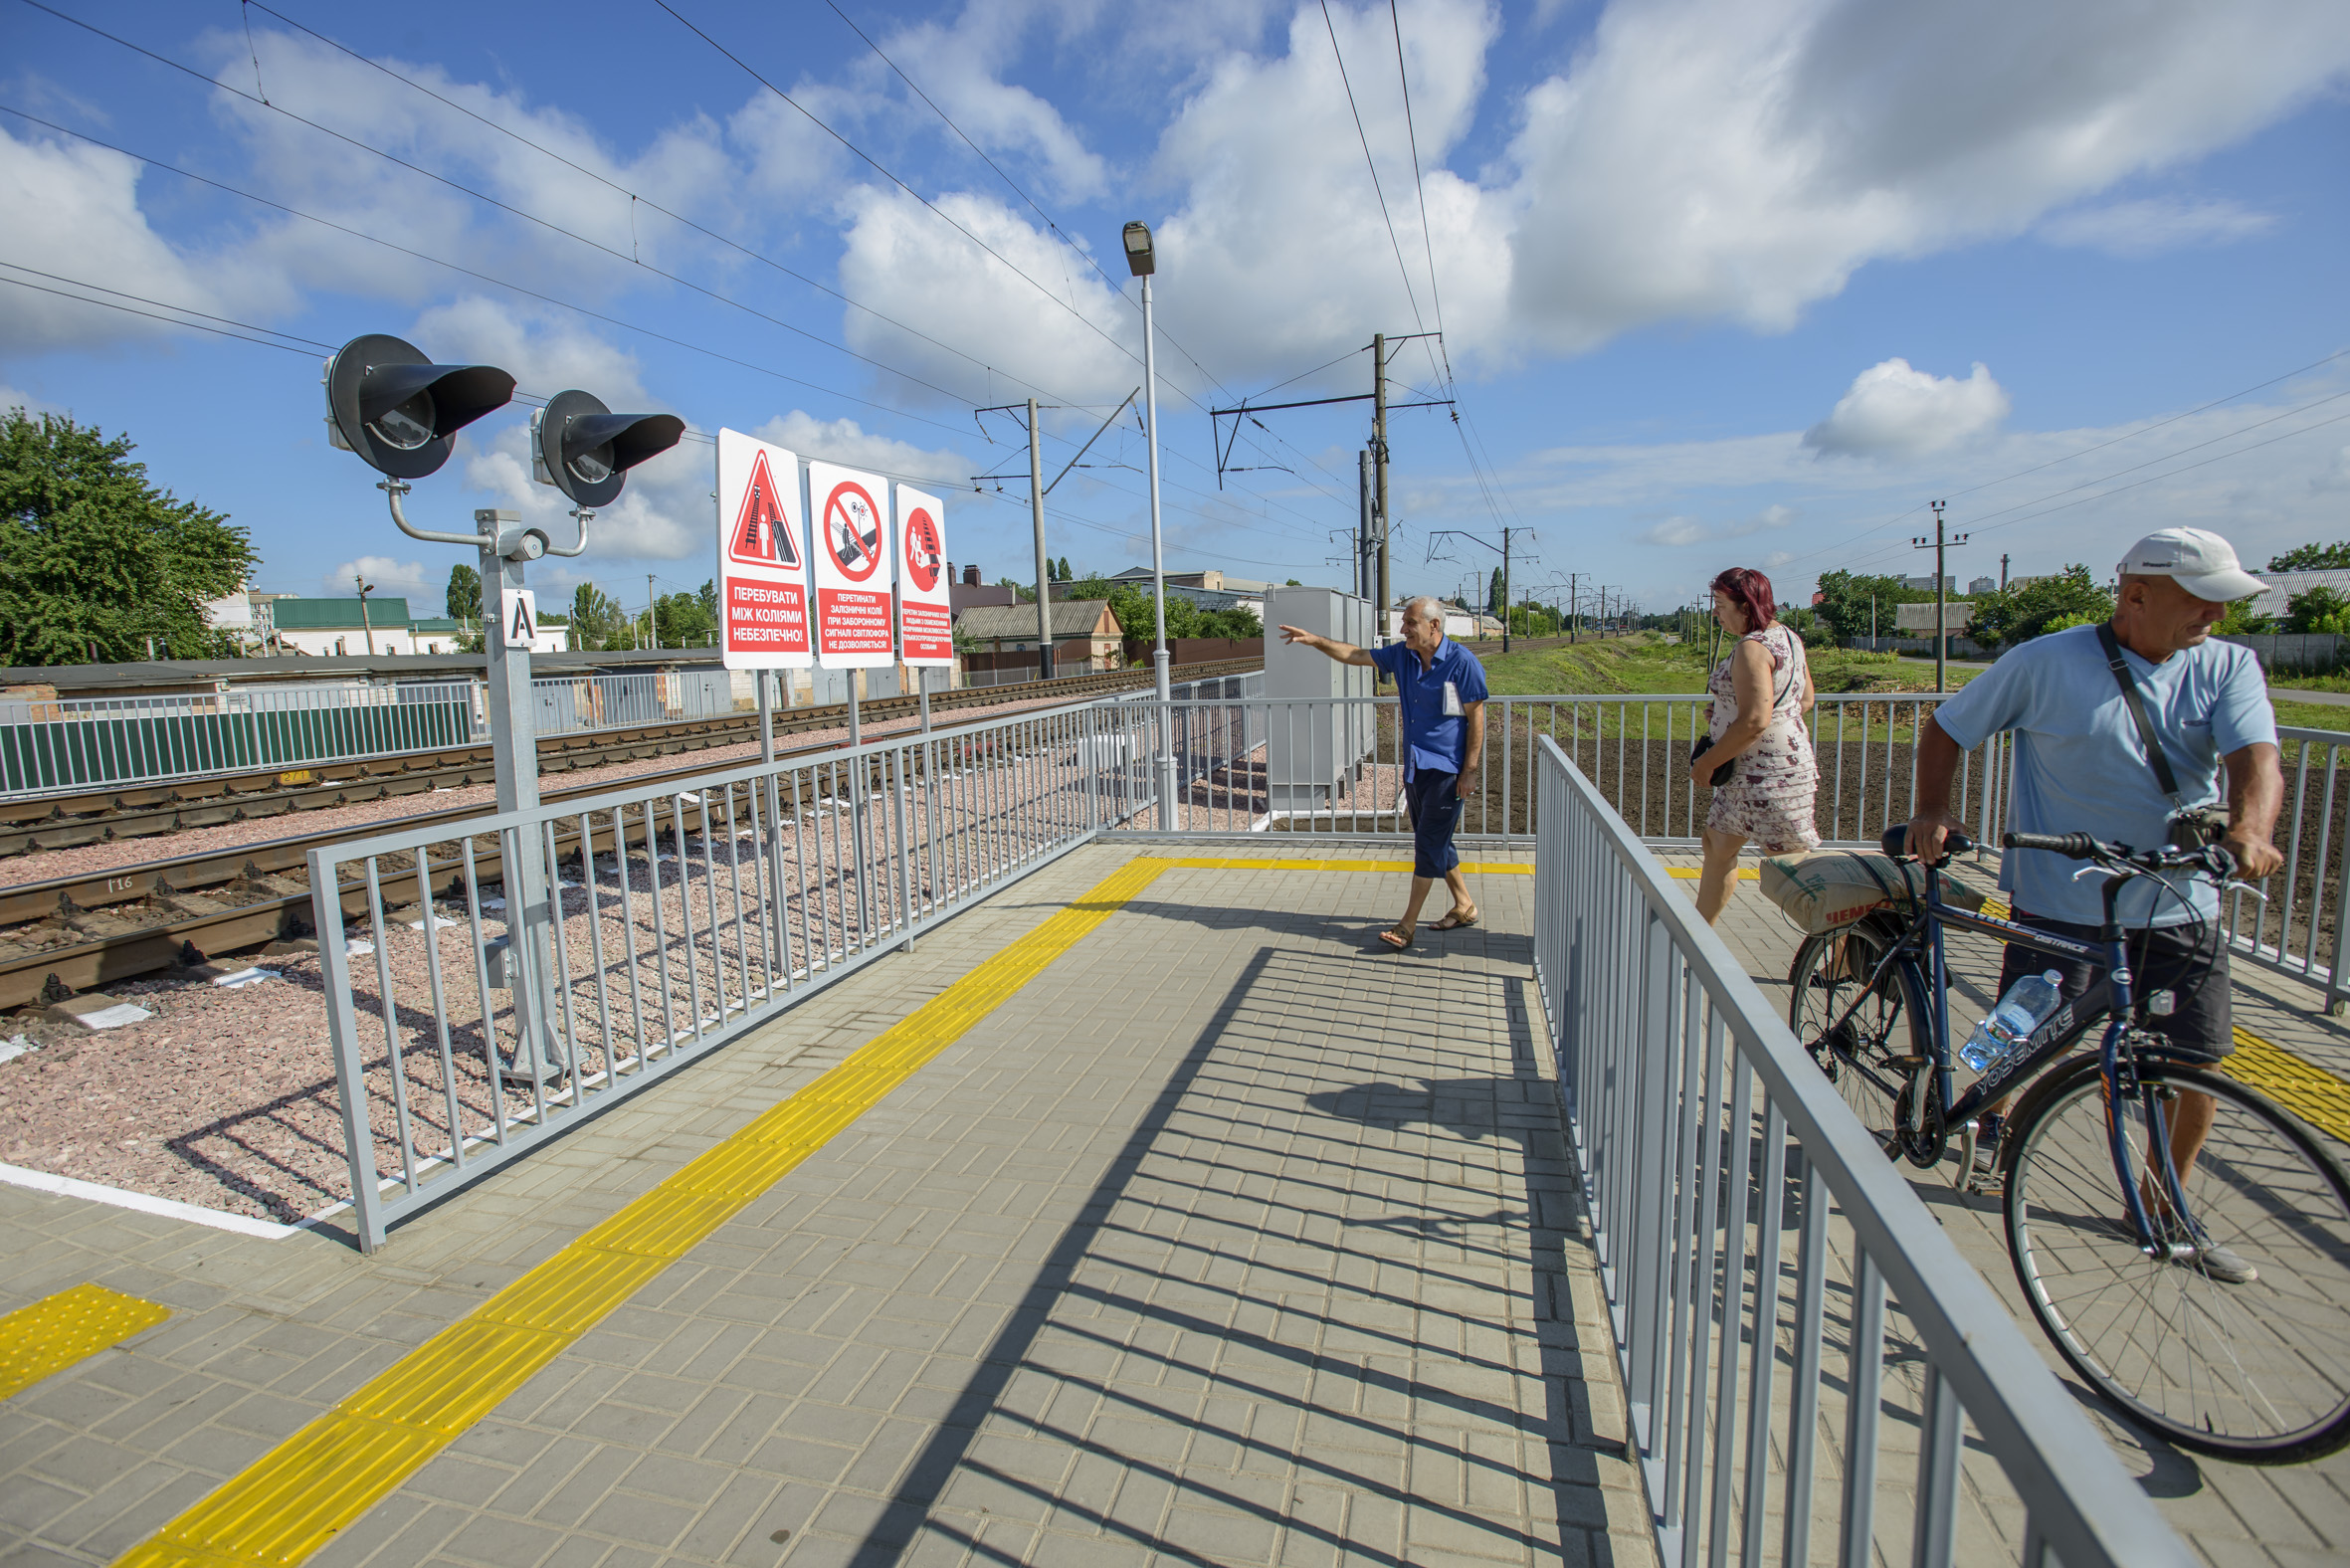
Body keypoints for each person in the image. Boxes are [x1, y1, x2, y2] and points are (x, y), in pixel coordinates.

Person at [1902, 527, 2283, 1281]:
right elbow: (1947, 727)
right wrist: (1933, 811)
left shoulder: (2228, 666)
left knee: (2191, 1060)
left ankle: (2161, 1207)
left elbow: (2256, 758)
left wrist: (2251, 829)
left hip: (2180, 898)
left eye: (2222, 605)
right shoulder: (2046, 661)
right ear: (2136, 595)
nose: (2213, 617)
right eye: (2201, 602)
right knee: (2018, 1033)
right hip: (2061, 895)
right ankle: (1984, 1110)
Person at [1279, 596, 1486, 949]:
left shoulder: (1462, 663)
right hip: (1417, 766)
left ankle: (1407, 925)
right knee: (1433, 837)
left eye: (1410, 623)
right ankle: (1465, 905)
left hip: (1448, 771)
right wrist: (1314, 640)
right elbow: (1355, 655)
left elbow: (1476, 717)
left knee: (1427, 845)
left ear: (1434, 626)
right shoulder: (1403, 656)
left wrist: (1469, 771)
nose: (1402, 629)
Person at [1689, 567, 1819, 923]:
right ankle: (1696, 936)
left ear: (1744, 606)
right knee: (1717, 846)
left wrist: (1707, 762)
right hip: (1764, 771)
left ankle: (1845, 941)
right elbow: (1803, 699)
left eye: (1720, 603)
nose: (1715, 612)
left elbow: (1755, 720)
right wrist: (1727, 711)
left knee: (1793, 862)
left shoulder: (1752, 648)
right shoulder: (1789, 638)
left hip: (1763, 776)